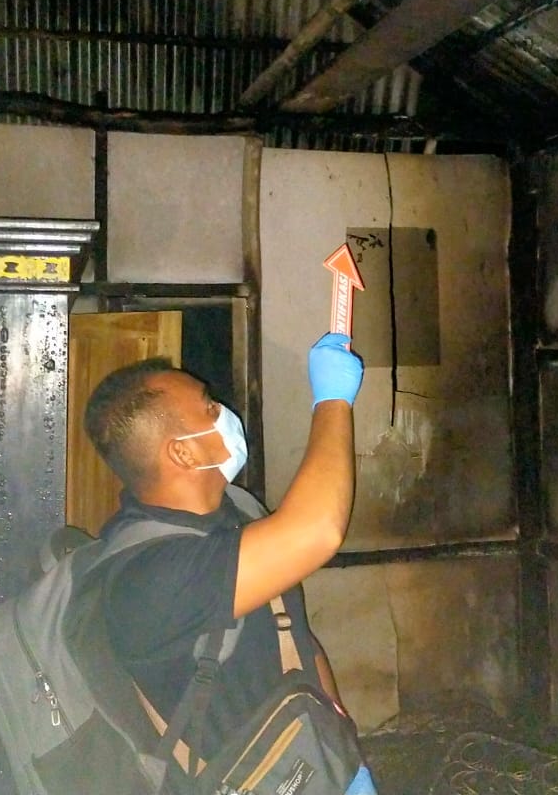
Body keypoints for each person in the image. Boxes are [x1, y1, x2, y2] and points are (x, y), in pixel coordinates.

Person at [82, 332, 374, 794]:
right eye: (209, 407)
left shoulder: (233, 510)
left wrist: (341, 740)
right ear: (182, 451)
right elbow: (316, 531)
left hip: (324, 763)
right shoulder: (147, 577)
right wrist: (332, 401)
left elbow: (292, 632)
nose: (224, 413)